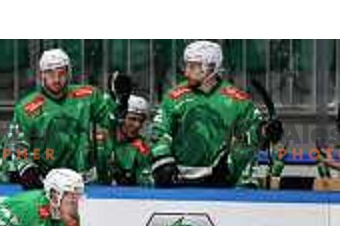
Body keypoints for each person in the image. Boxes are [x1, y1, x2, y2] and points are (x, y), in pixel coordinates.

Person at [150, 40, 282, 188]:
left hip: (220, 180)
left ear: (211, 67)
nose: (186, 72)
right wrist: (163, 160)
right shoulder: (174, 97)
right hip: (177, 178)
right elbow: (158, 132)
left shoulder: (237, 100)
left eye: (193, 66)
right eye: (186, 65)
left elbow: (251, 133)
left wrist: (266, 131)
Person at [5, 48, 116, 189]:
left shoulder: (89, 96)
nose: (56, 79)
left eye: (61, 73)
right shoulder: (26, 107)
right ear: (41, 75)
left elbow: (112, 123)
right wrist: (27, 168)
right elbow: (16, 145)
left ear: (69, 72)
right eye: (50, 73)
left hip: (86, 182)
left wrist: (118, 103)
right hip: (47, 182)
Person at [111, 95, 154, 186]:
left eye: (141, 120)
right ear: (121, 118)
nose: (137, 125)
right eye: (132, 119)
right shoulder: (104, 139)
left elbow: (145, 179)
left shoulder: (142, 146)